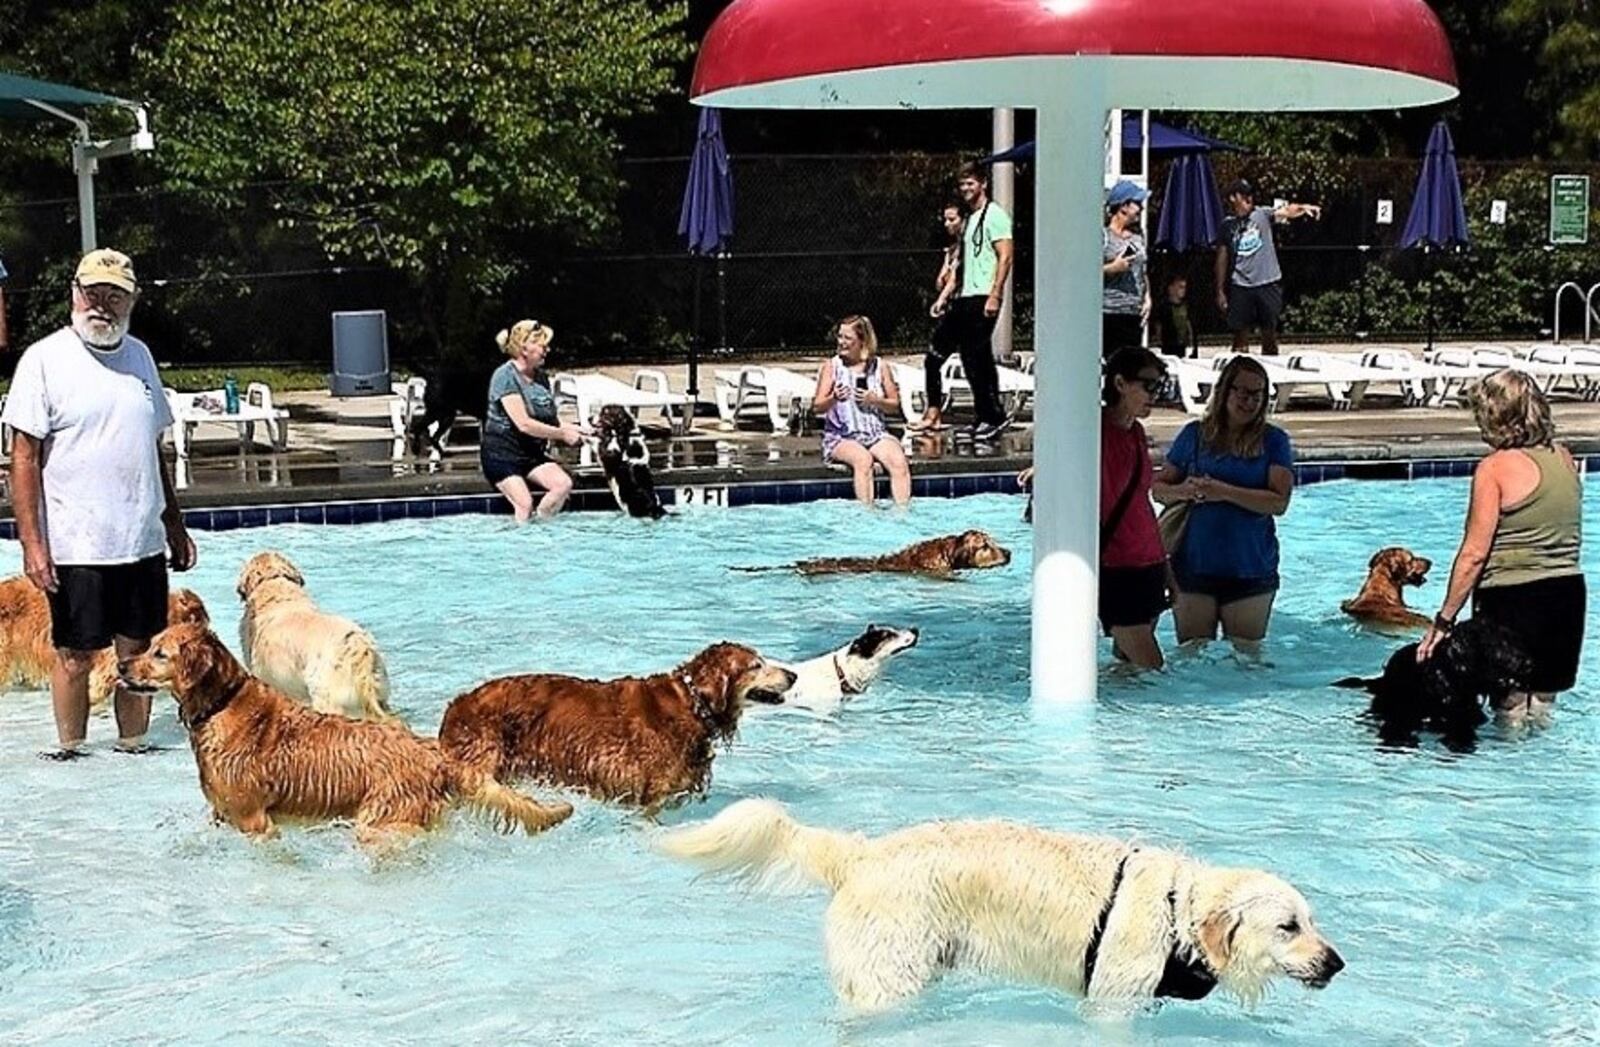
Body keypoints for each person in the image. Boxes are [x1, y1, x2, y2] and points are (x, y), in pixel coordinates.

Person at [1, 249, 196, 759]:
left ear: (132, 299)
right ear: (74, 293)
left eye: (115, 294)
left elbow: (152, 446)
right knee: (74, 655)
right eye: (94, 293)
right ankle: (72, 754)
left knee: (137, 653)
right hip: (75, 543)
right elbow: (23, 458)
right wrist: (33, 544)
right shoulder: (44, 360)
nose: (103, 304)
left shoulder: (141, 358)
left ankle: (132, 748)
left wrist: (173, 523)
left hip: (141, 542)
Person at [1417, 370, 1585, 725]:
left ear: (1495, 415)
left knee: (1508, 707)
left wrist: (1444, 621)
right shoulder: (1565, 459)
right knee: (1541, 705)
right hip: (1567, 595)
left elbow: (1474, 554)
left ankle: (1503, 779)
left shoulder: (1493, 469)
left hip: (1511, 598)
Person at [1154, 356, 1294, 646]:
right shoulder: (1194, 435)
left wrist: (1224, 491)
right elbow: (1159, 490)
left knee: (1246, 659)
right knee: (1192, 656)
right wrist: (1187, 491)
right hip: (1193, 565)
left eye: (1257, 394)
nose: (1249, 401)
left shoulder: (1273, 440)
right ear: (1224, 391)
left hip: (1251, 568)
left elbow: (1279, 502)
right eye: (1241, 391)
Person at [1098, 346, 1172, 670]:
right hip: (1117, 568)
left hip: (1149, 564)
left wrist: (1169, 573)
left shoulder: (1137, 432)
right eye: (1148, 385)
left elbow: (1141, 503)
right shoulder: (1093, 431)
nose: (1154, 395)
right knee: (1153, 672)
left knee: (1129, 670)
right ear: (1119, 383)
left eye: (1160, 386)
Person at [480, 319, 582, 521]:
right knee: (524, 504)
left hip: (532, 455)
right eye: (542, 345)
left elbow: (552, 421)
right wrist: (562, 435)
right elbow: (523, 424)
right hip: (502, 455)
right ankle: (521, 545)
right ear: (524, 349)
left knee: (563, 484)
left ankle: (542, 526)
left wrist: (581, 430)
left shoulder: (541, 378)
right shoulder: (504, 376)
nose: (547, 350)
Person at [811, 315, 912, 507]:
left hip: (875, 434)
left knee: (899, 461)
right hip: (842, 437)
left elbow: (894, 405)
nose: (841, 342)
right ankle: (867, 513)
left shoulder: (880, 366)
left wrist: (876, 400)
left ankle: (902, 513)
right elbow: (817, 407)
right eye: (840, 337)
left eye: (847, 338)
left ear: (862, 341)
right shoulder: (832, 367)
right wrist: (833, 398)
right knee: (863, 460)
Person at [1214, 179, 1321, 356]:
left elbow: (1286, 211)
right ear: (1233, 198)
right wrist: (1219, 290)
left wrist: (1304, 207)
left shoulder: (1261, 214)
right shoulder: (1227, 226)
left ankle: (1271, 373)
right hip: (1240, 285)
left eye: (1250, 195)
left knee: (1269, 333)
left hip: (1267, 282)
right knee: (1240, 336)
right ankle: (1241, 373)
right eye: (1244, 196)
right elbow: (1221, 258)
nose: (1249, 199)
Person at [950, 163, 1013, 441]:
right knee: (971, 356)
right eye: (963, 184)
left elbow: (1005, 256)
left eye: (971, 183)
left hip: (984, 294)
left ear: (983, 184)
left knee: (978, 356)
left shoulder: (996, 216)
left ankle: (993, 414)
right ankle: (983, 414)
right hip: (967, 294)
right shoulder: (972, 218)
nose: (966, 189)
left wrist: (995, 293)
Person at [910, 202, 965, 432]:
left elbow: (953, 281)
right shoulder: (952, 250)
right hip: (953, 310)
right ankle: (934, 412)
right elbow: (941, 279)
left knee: (941, 360)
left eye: (952, 219)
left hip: (964, 309)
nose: (947, 224)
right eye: (945, 219)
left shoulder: (970, 248)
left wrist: (941, 299)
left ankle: (934, 411)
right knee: (933, 360)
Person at [1101, 179, 1150, 357]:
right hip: (1110, 312)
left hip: (1133, 312)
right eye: (1137, 203)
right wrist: (1113, 268)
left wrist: (1147, 297)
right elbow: (1086, 274)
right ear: (1123, 207)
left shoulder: (1138, 237)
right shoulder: (1103, 237)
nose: (1141, 208)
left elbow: (1142, 270)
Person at [1151, 272, 1198, 358]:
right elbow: (1158, 325)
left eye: (1184, 287)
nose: (1183, 290)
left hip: (1183, 346)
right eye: (1180, 287)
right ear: (1171, 288)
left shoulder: (1187, 306)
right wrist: (1159, 341)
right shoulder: (1163, 307)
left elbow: (1190, 326)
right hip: (1168, 345)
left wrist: (1191, 345)